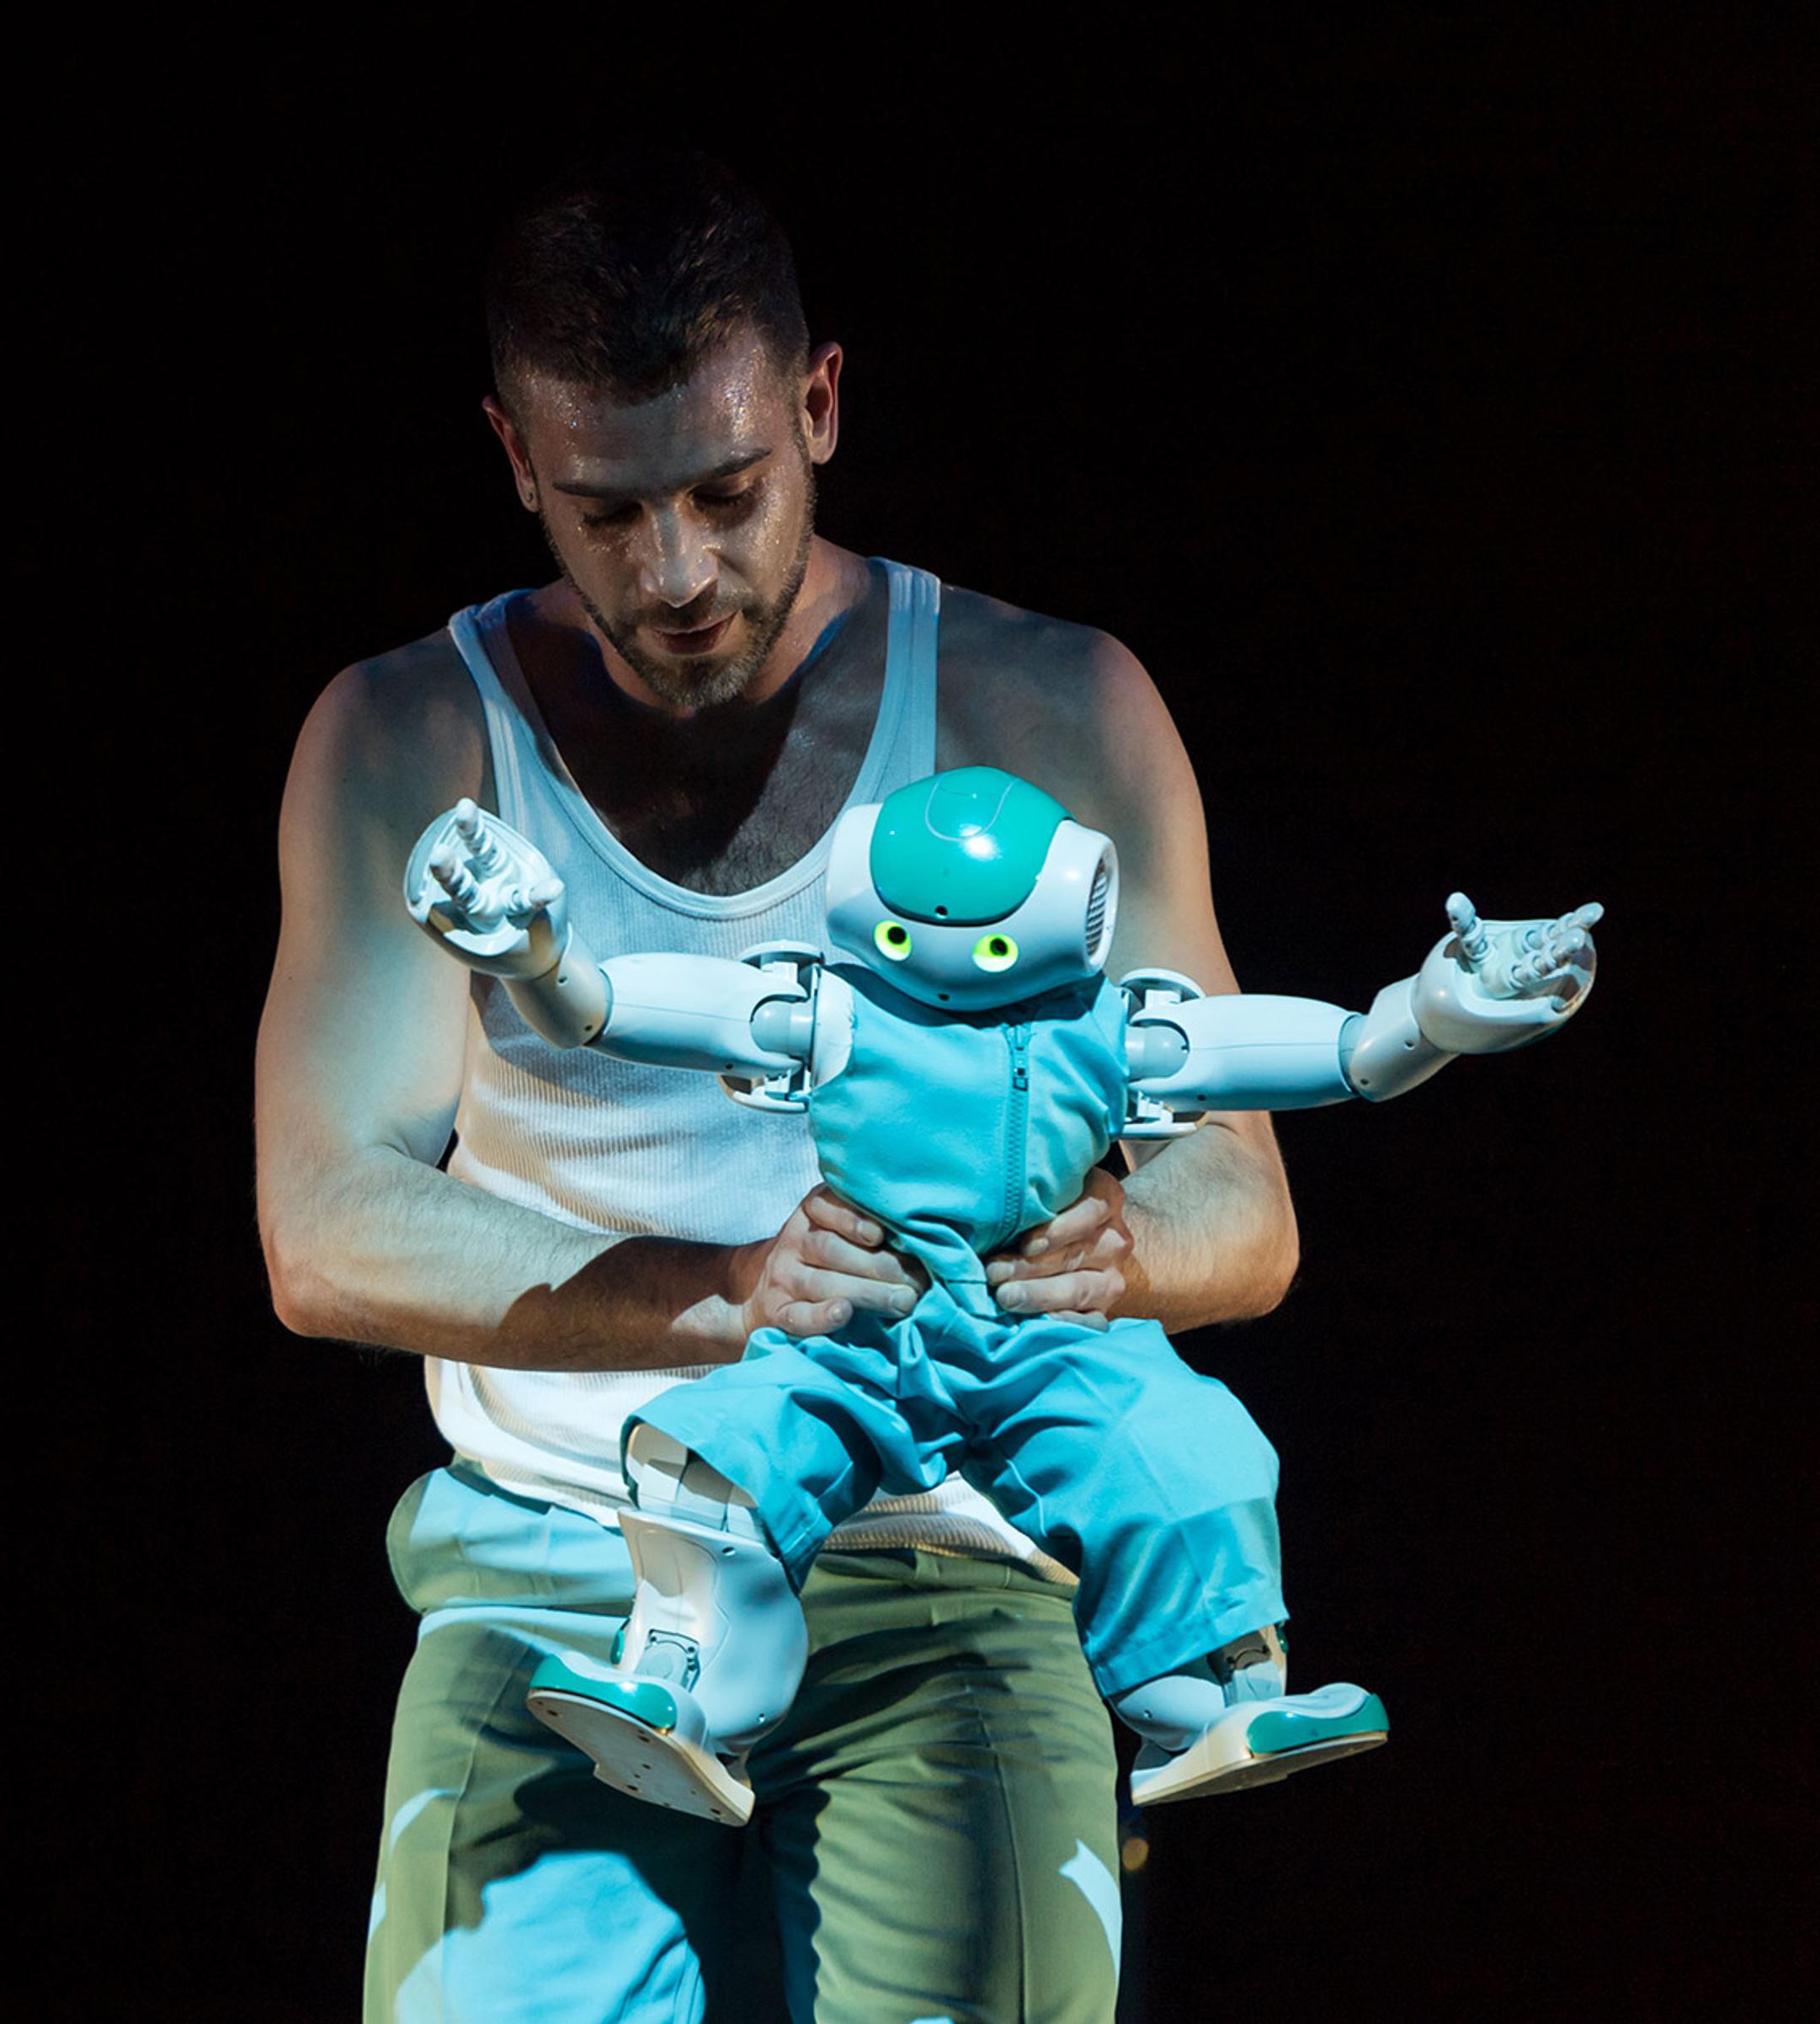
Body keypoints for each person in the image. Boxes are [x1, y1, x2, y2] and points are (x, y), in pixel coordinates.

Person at [258, 149, 1301, 2024]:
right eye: (606, 510)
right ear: (514, 458)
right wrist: (731, 1291)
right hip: (561, 1560)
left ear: (820, 404)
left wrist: (1089, 1246)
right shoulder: (412, 733)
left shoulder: (1044, 707)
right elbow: (326, 1219)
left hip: (944, 1558)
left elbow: (1242, 1208)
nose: (676, 574)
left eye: (727, 493)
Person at [397, 771, 1596, 1829]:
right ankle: (687, 1691)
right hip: (865, 1324)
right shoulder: (836, 1012)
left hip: (1040, 1331)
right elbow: (619, 1012)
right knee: (708, 1463)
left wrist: (1429, 1021)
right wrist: (537, 957)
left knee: (1188, 1457)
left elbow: (1323, 1054)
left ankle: (1220, 1703)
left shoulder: (1108, 1031)